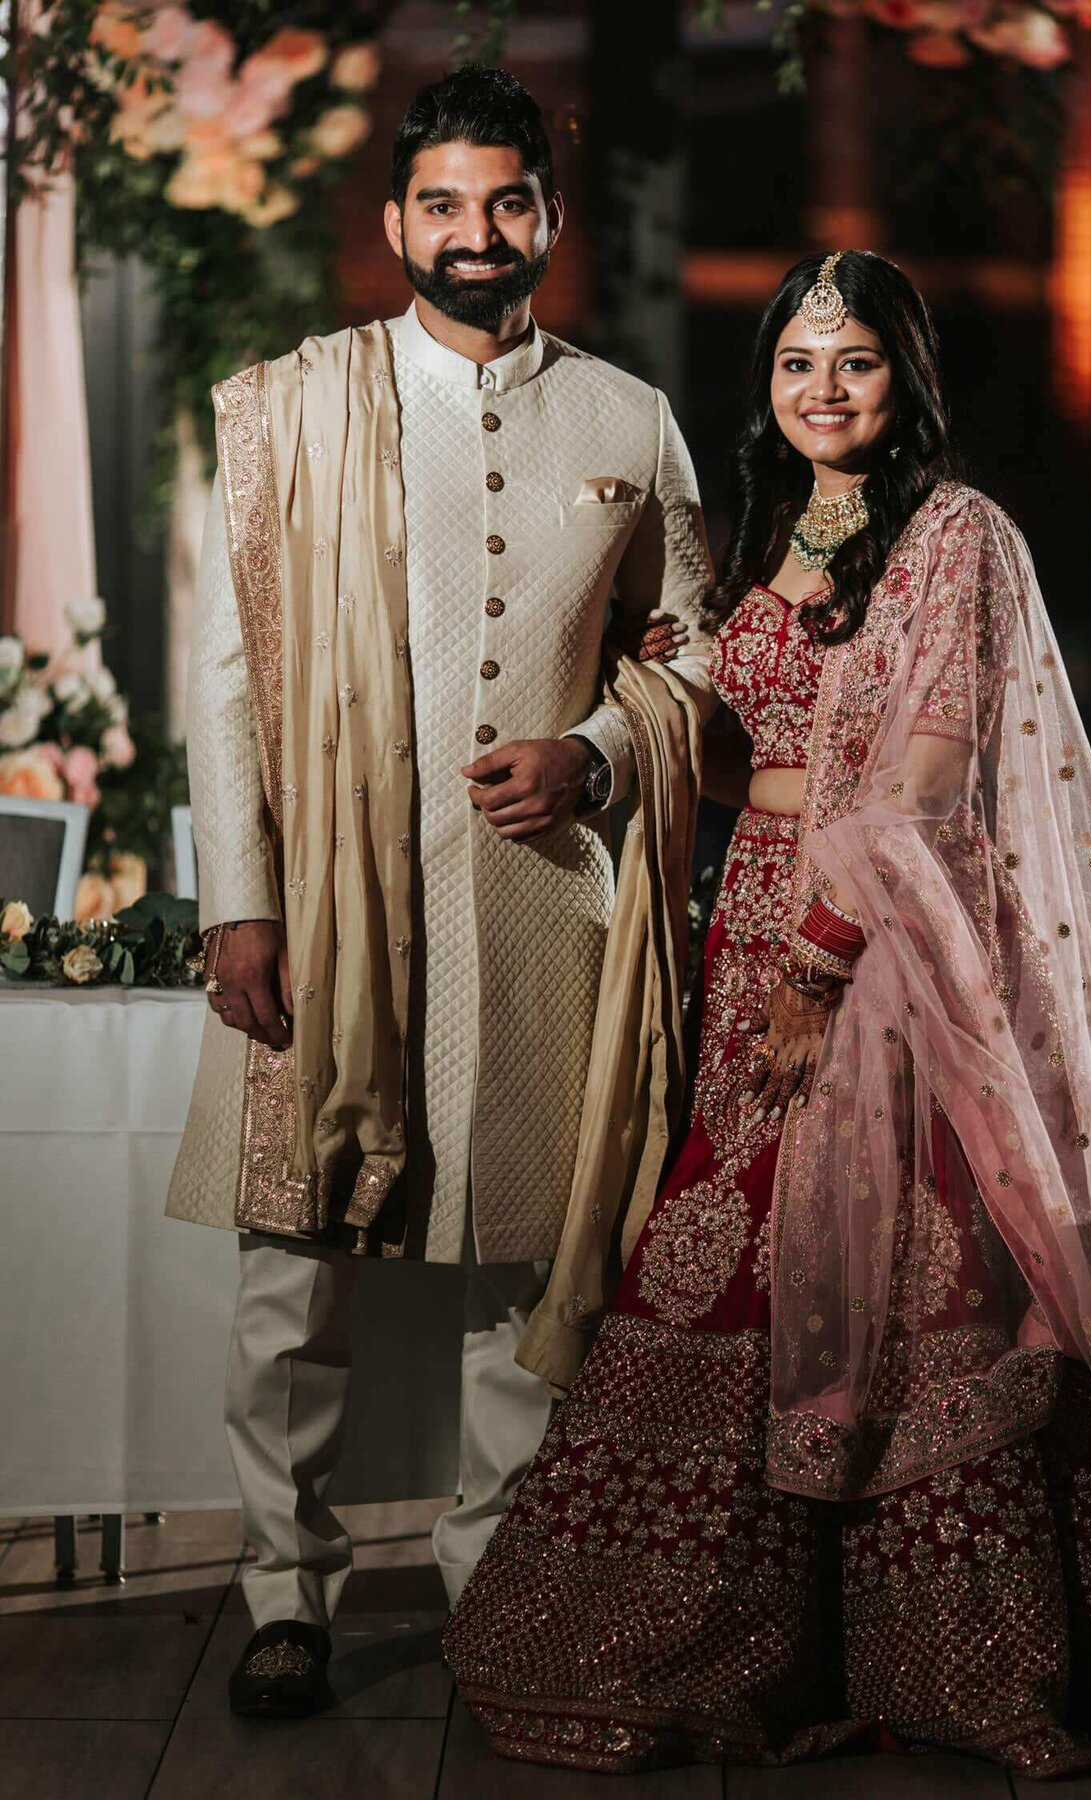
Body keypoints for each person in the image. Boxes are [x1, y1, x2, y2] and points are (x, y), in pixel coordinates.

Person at [445, 250, 1091, 1779]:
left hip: (888, 963)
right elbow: (745, 773)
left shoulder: (957, 533)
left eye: (854, 361)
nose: (824, 390)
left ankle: (979, 1655)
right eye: (798, 362)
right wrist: (674, 705)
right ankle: (760, 1642)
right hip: (754, 935)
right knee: (743, 1268)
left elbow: (922, 781)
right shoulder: (776, 542)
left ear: (904, 377)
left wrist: (820, 966)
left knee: (922, 1279)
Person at [166, 64, 714, 1718]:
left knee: (526, 1272)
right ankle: (286, 1593)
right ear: (396, 220)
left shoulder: (626, 417)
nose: (477, 233)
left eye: (509, 202)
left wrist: (602, 757)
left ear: (546, 216)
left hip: (545, 898)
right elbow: (228, 678)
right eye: (445, 204)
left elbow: (691, 652)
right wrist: (239, 898)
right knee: (290, 1274)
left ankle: (496, 1580)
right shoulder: (293, 403)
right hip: (331, 903)